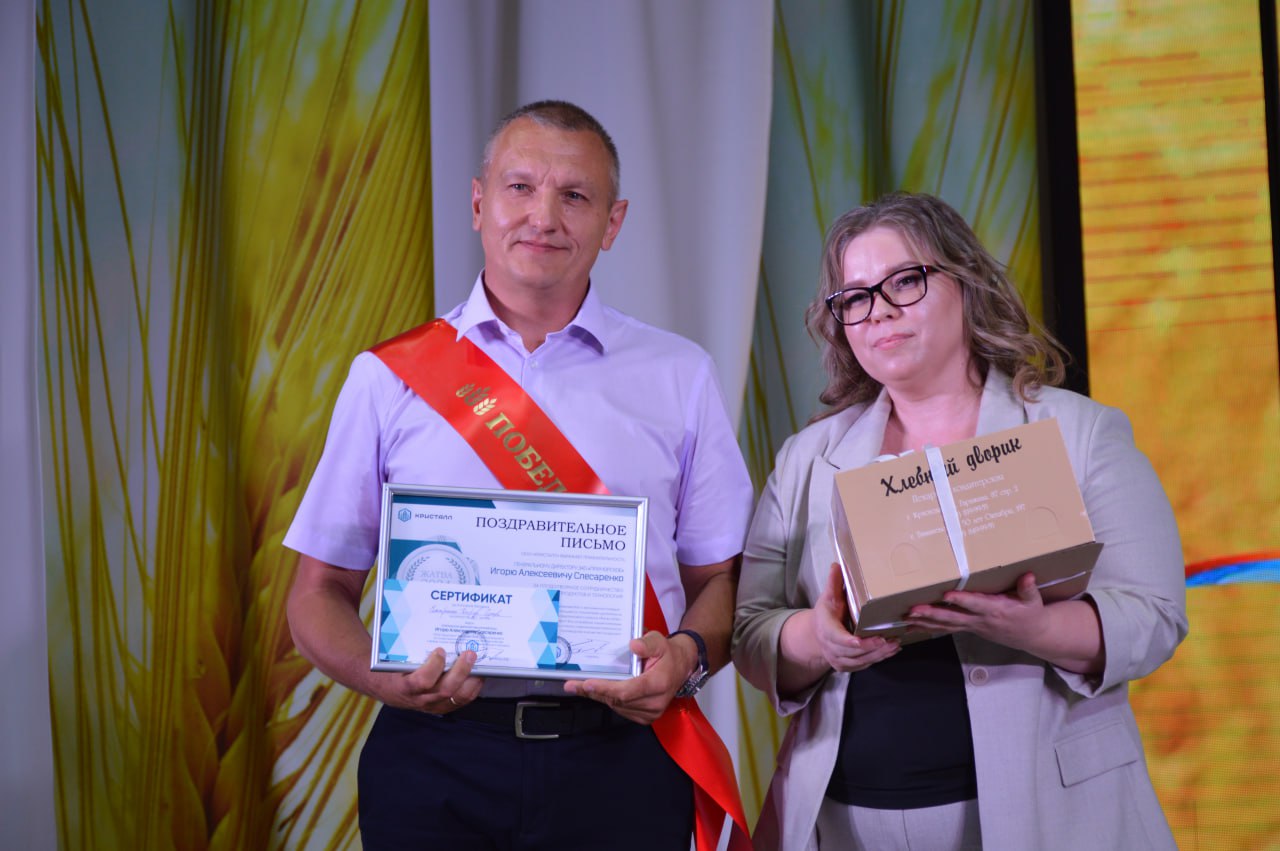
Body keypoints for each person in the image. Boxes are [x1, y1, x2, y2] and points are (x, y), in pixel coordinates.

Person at [284, 100, 754, 850]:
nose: (545, 216)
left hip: (622, 759)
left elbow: (721, 580)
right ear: (479, 203)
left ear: (613, 221)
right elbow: (316, 593)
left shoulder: (680, 375)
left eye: (575, 195)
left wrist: (687, 657)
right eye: (520, 187)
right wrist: (383, 680)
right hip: (435, 759)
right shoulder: (387, 378)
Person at [732, 192, 1187, 851]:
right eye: (855, 297)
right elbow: (750, 631)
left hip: (1053, 816)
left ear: (967, 282)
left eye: (904, 281)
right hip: (847, 821)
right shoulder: (807, 459)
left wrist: (1036, 628)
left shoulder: (1080, 432)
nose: (879, 310)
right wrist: (819, 639)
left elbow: (1155, 614)